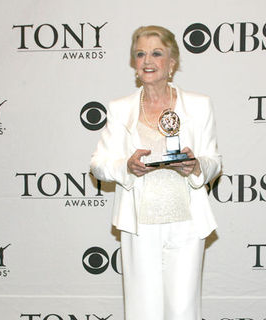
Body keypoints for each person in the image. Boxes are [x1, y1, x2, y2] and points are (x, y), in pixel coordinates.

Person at [90, 25, 221, 320]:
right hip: (140, 224)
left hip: (186, 224)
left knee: (183, 309)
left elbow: (214, 159)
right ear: (134, 64)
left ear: (172, 62)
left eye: (156, 53)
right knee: (142, 311)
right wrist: (126, 165)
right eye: (140, 54)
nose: (148, 61)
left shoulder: (199, 106)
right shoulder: (120, 108)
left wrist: (197, 164)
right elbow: (98, 163)